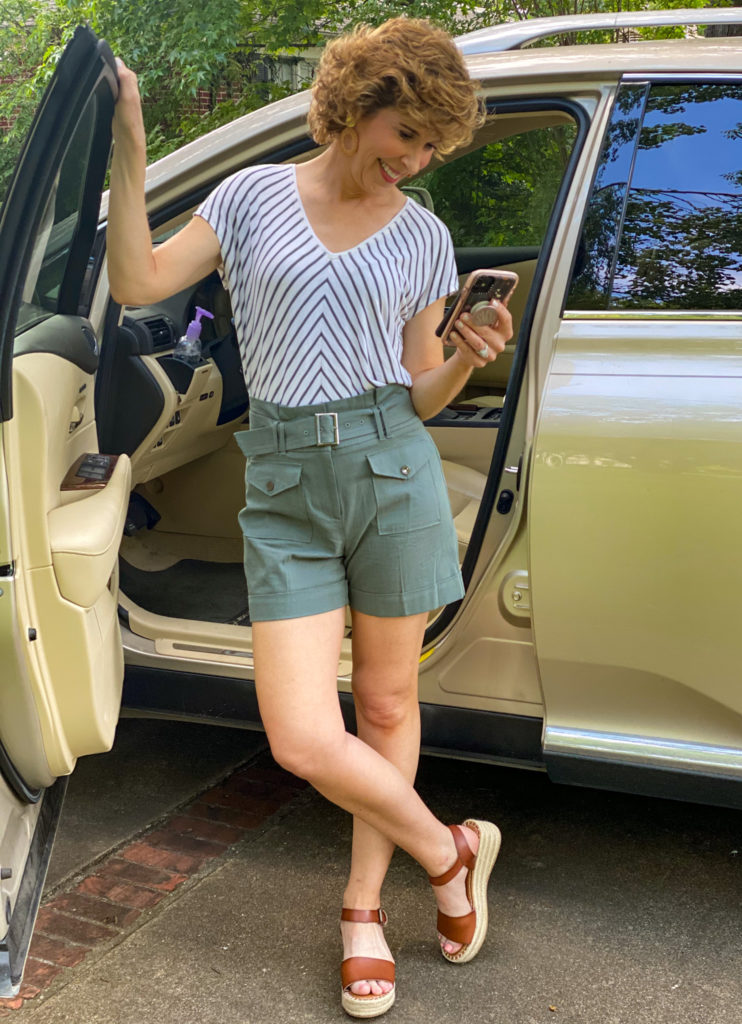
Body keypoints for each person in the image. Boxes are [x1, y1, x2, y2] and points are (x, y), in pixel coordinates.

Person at [107, 17, 511, 1019]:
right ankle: (448, 849)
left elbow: (418, 389)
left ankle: (363, 909)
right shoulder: (247, 198)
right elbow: (137, 281)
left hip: (390, 466)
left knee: (383, 709)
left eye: (429, 148)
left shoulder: (422, 233)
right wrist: (128, 147)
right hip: (283, 479)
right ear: (363, 101)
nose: (412, 160)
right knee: (298, 734)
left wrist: (464, 358)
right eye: (406, 134)